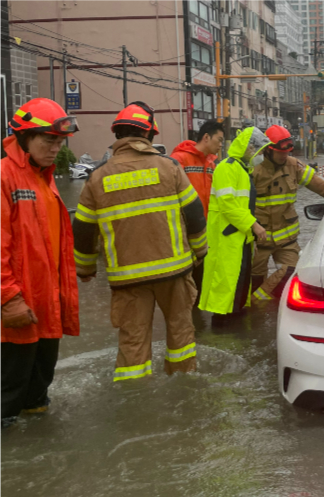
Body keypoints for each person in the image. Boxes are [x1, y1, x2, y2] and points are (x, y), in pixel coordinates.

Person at [72, 101, 208, 381]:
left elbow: (83, 231)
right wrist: (200, 251)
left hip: (128, 279)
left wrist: (85, 270)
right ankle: (185, 387)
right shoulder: (169, 167)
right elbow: (195, 215)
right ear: (149, 135)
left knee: (132, 343)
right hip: (174, 272)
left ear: (118, 136)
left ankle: (134, 401)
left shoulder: (97, 178)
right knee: (181, 334)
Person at [1, 98, 80, 426]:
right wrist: (8, 297)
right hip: (19, 307)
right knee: (8, 395)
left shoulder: (44, 179)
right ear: (24, 137)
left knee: (38, 392)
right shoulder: (6, 177)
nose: (55, 149)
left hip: (48, 307)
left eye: (59, 142)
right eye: (48, 141)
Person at [250, 125, 324, 301]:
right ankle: (256, 311)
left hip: (286, 241)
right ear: (268, 150)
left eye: (288, 152)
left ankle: (259, 302)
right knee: (252, 281)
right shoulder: (253, 170)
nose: (285, 156)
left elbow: (323, 187)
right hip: (258, 241)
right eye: (281, 153)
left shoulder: (293, 166)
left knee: (295, 276)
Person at [198, 127, 271, 325]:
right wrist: (254, 226)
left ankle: (234, 315)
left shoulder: (241, 170)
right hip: (225, 236)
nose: (261, 155)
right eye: (260, 151)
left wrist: (250, 234)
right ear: (249, 148)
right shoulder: (227, 168)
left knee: (238, 278)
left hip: (239, 236)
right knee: (224, 279)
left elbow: (242, 207)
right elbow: (228, 205)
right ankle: (222, 321)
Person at [170, 119, 224, 298]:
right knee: (185, 281)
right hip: (183, 231)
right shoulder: (179, 159)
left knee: (201, 278)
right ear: (206, 137)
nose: (220, 145)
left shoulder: (212, 163)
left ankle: (197, 320)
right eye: (219, 140)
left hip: (205, 230)